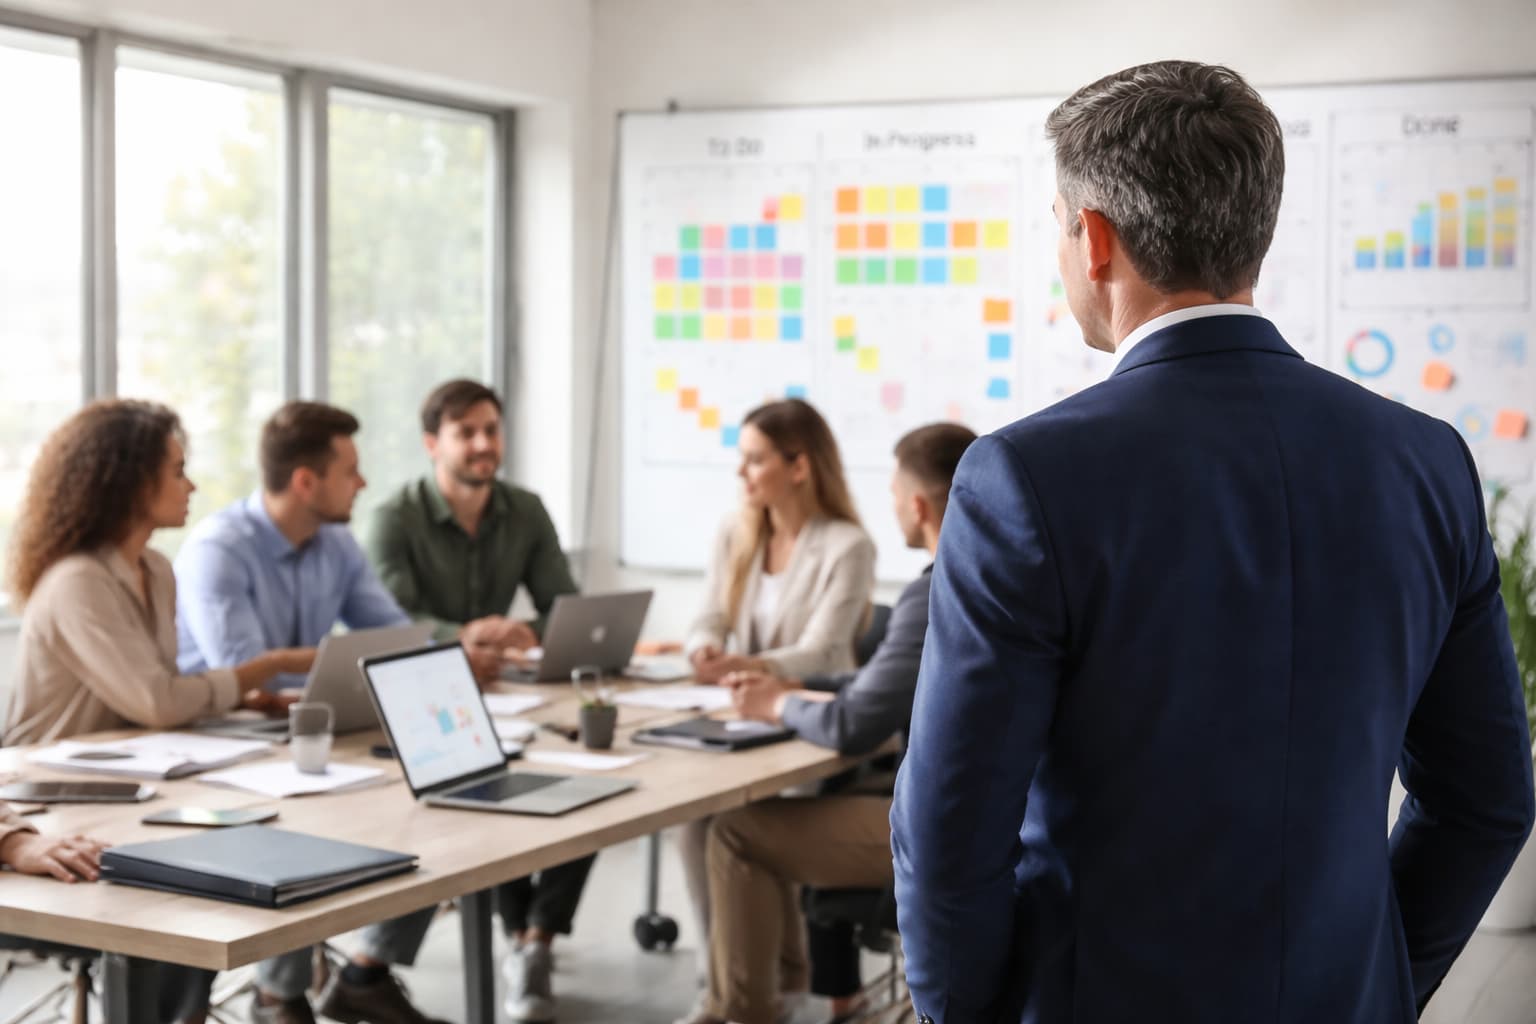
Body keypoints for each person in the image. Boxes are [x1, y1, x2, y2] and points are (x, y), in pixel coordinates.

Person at [891, 60, 1536, 1024]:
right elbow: (1488, 799)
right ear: (1256, 235)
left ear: (1095, 239)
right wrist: (1382, 982)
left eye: (1058, 224)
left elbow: (950, 835)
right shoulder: (1424, 461)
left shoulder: (1022, 478)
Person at [678, 423, 974, 1024]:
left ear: (918, 507)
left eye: (894, 496)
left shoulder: (931, 591)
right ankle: (775, 991)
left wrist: (776, 704)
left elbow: (853, 725)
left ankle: (744, 1011)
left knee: (736, 832)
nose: (890, 506)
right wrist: (790, 688)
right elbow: (879, 686)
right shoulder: (988, 578)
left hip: (940, 830)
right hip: (977, 811)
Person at [175, 401, 446, 1024]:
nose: (364, 482)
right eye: (350, 470)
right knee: (302, 821)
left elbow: (394, 637)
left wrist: (443, 659)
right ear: (305, 481)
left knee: (435, 788)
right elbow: (249, 676)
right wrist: (329, 670)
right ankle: (278, 997)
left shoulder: (336, 544)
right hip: (220, 739)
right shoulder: (220, 549)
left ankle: (367, 972)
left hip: (309, 725)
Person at [363, 378, 593, 1024]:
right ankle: (522, 938)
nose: (484, 444)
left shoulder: (525, 509)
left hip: (507, 693)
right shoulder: (393, 518)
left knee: (591, 785)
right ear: (433, 443)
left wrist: (524, 633)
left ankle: (534, 939)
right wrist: (458, 638)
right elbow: (386, 618)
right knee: (488, 791)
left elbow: (564, 607)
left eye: (492, 429)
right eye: (467, 432)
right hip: (423, 697)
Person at [679, 398, 877, 973]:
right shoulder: (734, 533)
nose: (741, 473)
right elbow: (706, 615)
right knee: (691, 821)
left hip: (804, 725)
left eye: (754, 460)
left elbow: (820, 650)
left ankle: (764, 982)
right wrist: (703, 649)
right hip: (734, 714)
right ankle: (725, 977)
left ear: (799, 466)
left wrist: (746, 663)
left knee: (750, 822)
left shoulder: (847, 546)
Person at [4, 400, 307, 747]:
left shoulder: (157, 569)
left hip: (127, 762)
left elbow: (156, 693)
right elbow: (158, 703)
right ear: (132, 484)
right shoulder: (77, 582)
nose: (190, 487)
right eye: (178, 472)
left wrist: (243, 700)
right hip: (43, 779)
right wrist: (271, 664)